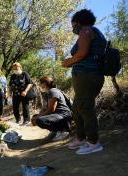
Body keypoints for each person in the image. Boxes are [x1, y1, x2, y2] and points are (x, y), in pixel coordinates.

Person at [62, 9, 106, 155]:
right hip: (88, 75)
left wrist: (68, 62)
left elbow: (82, 53)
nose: (72, 27)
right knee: (77, 108)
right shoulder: (93, 31)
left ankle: (94, 142)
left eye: (73, 24)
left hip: (87, 75)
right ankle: (81, 138)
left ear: (79, 21)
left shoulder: (86, 30)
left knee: (86, 108)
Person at [31, 76, 72, 141]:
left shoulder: (52, 92)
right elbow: (44, 108)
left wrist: (37, 118)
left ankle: (63, 131)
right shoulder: (47, 93)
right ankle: (54, 131)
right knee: (36, 117)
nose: (39, 85)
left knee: (39, 120)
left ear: (44, 83)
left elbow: (51, 110)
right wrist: (37, 116)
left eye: (40, 83)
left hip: (64, 116)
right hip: (58, 115)